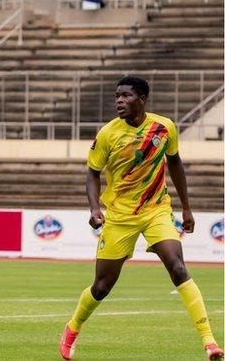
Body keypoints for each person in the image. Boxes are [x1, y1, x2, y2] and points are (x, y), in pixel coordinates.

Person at [58, 77, 224, 361]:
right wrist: (95, 208)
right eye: (117, 96)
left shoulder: (164, 127)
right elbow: (92, 173)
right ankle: (73, 327)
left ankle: (209, 342)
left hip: (156, 209)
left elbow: (175, 162)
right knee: (102, 286)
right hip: (120, 216)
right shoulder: (109, 133)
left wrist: (186, 207)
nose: (119, 101)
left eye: (126, 96)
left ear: (142, 99)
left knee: (178, 267)